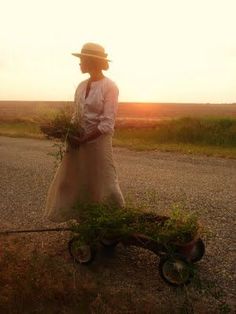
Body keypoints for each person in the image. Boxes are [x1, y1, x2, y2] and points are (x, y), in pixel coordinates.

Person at [44, 42, 125, 222]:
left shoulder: (110, 87)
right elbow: (77, 115)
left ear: (91, 62)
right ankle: (84, 217)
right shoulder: (81, 86)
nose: (79, 63)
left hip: (98, 143)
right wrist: (69, 134)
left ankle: (114, 219)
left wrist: (84, 139)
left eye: (82, 60)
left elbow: (107, 123)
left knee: (104, 180)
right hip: (78, 140)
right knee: (75, 178)